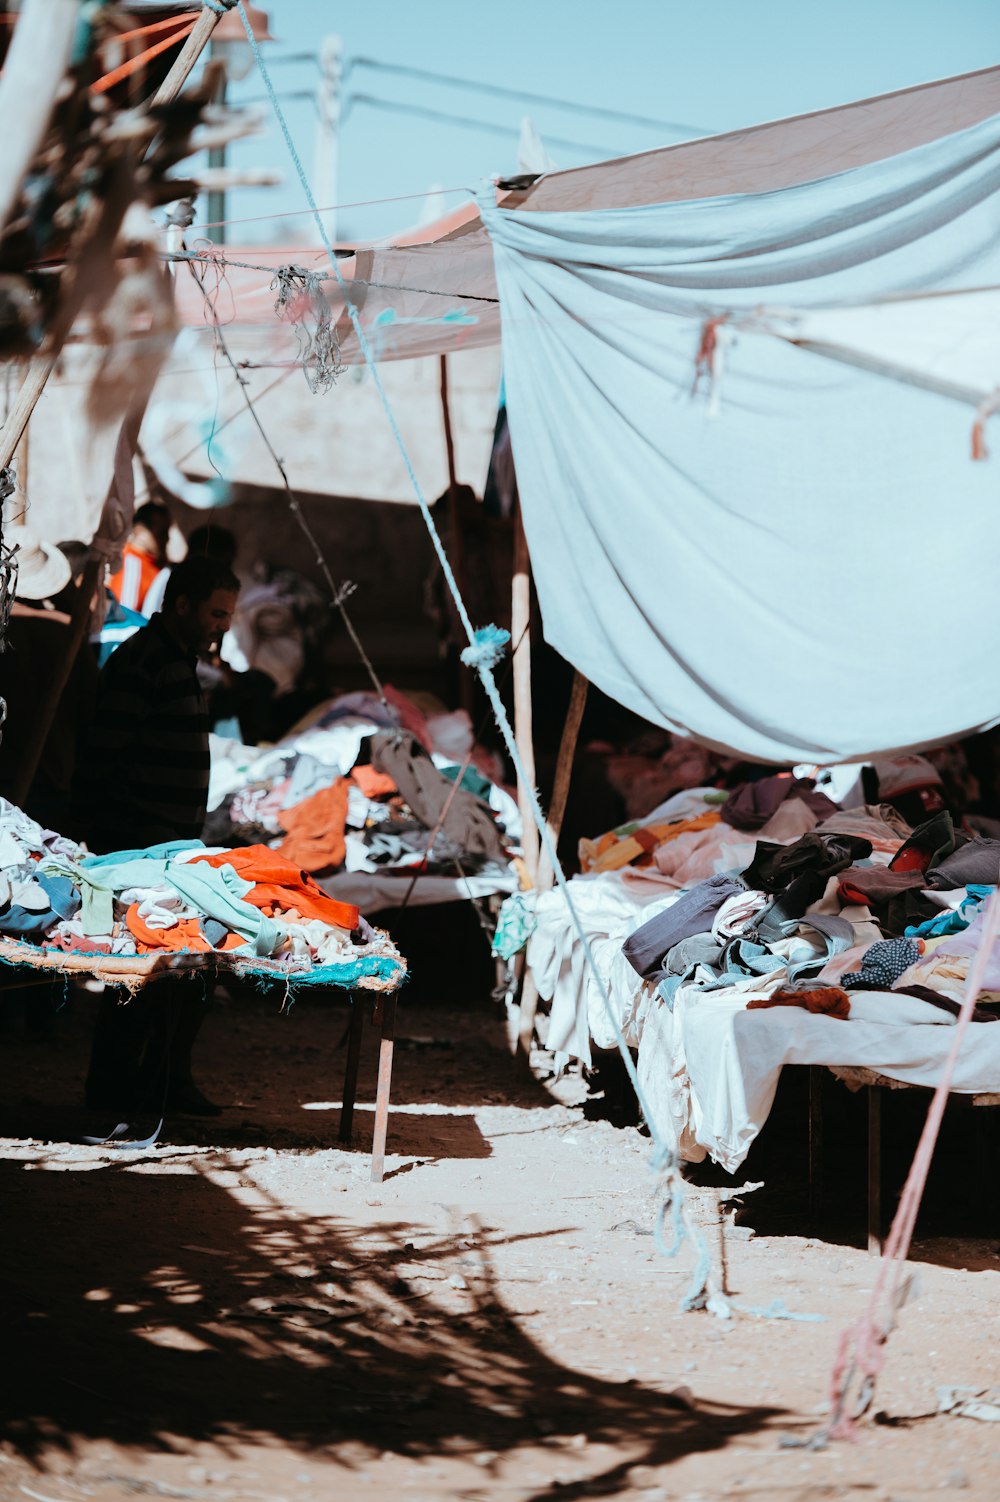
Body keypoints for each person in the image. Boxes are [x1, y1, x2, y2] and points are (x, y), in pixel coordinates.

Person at [75, 555, 240, 1117]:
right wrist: (134, 838)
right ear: (184, 605)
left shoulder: (177, 661)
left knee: (187, 969)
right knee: (139, 976)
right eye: (217, 614)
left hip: (169, 846)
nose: (224, 626)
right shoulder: (144, 661)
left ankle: (165, 1080)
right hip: (141, 847)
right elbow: (105, 758)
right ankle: (112, 1099)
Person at [107, 500, 170, 615]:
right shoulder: (131, 565)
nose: (167, 539)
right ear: (141, 531)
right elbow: (126, 616)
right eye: (161, 533)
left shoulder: (156, 564)